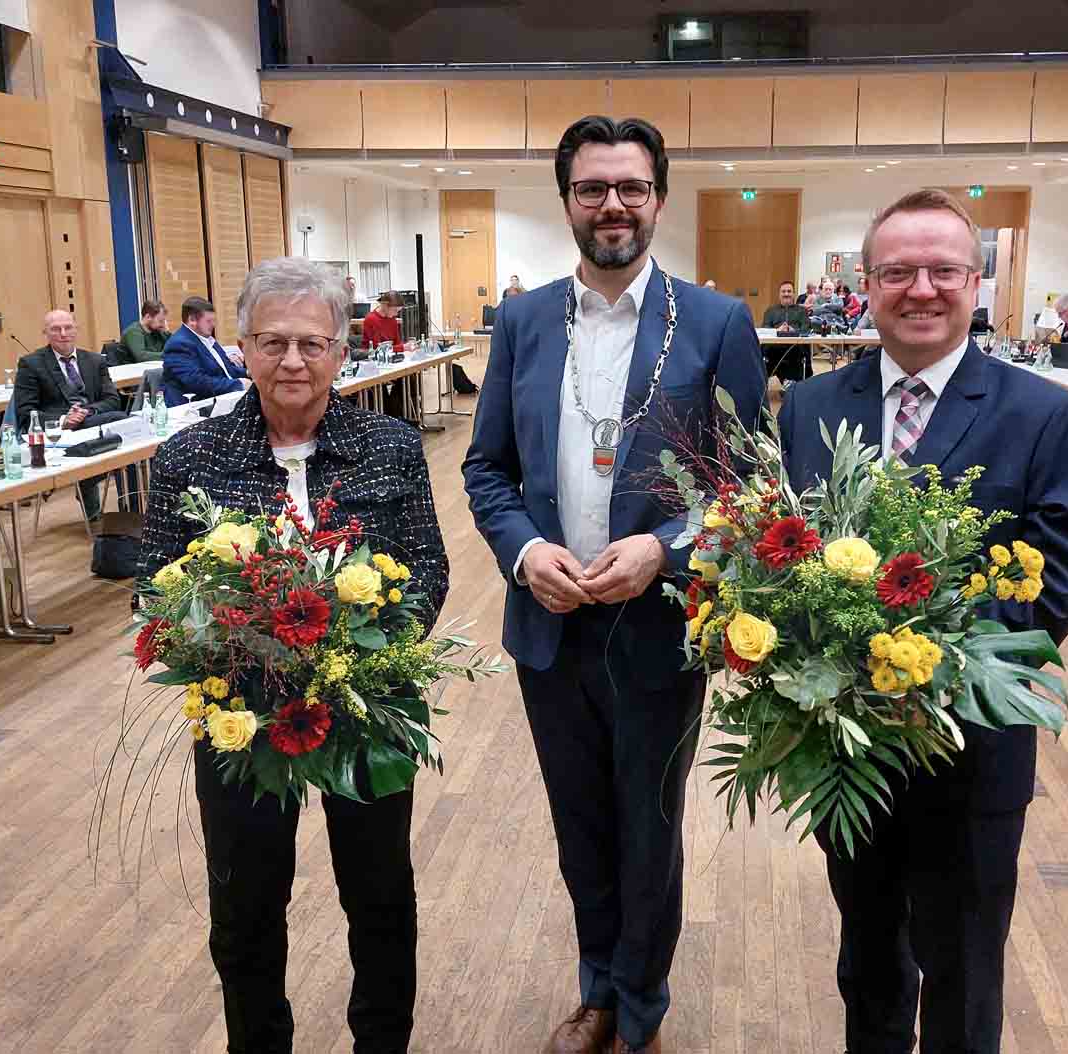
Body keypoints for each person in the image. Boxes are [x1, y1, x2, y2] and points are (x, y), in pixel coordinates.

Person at [463, 114, 764, 1054]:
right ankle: (598, 984)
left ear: (659, 199)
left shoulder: (715, 322)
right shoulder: (522, 319)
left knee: (649, 826)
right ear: (567, 203)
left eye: (631, 187)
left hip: (659, 626)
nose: (613, 205)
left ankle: (641, 1007)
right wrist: (523, 553)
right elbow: (487, 470)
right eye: (593, 188)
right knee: (580, 821)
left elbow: (749, 481)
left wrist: (667, 551)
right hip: (549, 622)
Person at [778, 188, 1068, 1054]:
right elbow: (781, 553)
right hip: (847, 749)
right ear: (866, 284)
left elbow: (1062, 575)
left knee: (962, 970)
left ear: (975, 280)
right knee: (870, 960)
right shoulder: (809, 410)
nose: (921, 288)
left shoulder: (1043, 414)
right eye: (897, 271)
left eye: (943, 270)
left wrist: (922, 656)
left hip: (974, 744)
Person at [138, 256, 449, 1054]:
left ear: (343, 351)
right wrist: (245, 645)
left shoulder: (390, 445)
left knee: (380, 897)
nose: (293, 362)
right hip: (240, 713)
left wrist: (366, 654)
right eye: (272, 342)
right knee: (245, 906)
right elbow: (153, 594)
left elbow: (428, 567)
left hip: (364, 705)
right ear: (241, 346)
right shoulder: (189, 457)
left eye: (312, 343)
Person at [14, 310, 121, 522]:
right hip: (59, 436)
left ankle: (131, 508)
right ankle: (90, 492)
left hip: (92, 425)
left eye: (68, 327)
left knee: (130, 438)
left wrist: (86, 413)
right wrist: (64, 420)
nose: (63, 333)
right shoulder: (31, 364)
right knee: (119, 420)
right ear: (45, 332)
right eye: (55, 329)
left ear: (76, 329)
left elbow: (112, 399)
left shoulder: (94, 360)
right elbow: (26, 413)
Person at [161, 296, 250, 406]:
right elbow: (197, 382)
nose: (213, 325)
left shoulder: (207, 339)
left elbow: (226, 370)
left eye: (213, 320)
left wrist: (248, 373)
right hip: (193, 407)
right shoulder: (179, 344)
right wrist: (237, 384)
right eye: (209, 321)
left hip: (219, 399)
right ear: (192, 320)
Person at [762, 281, 812, 386]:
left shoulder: (802, 311)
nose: (786, 294)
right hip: (774, 347)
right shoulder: (770, 311)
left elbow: (806, 329)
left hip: (795, 346)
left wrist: (793, 331)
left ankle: (790, 384)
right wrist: (777, 331)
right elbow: (765, 329)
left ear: (793, 294)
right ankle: (786, 382)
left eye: (789, 291)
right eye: (783, 291)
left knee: (797, 350)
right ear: (779, 294)